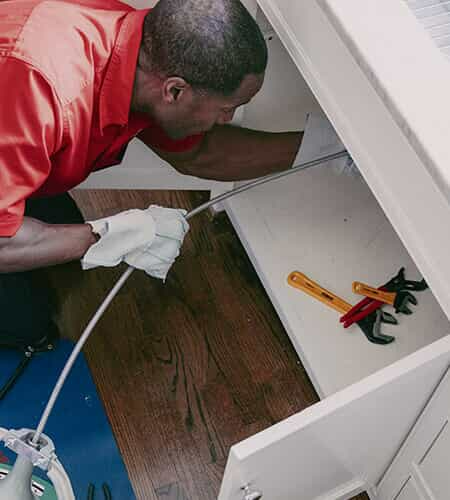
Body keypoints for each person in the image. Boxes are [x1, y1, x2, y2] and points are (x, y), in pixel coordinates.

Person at [0, 0, 303, 348]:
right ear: (175, 91)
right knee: (28, 321)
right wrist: (109, 235)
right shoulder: (43, 95)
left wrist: (318, 146)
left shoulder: (141, 51)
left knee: (56, 244)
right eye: (226, 109)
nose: (228, 119)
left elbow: (200, 154)